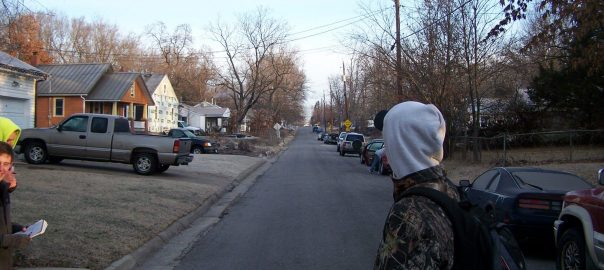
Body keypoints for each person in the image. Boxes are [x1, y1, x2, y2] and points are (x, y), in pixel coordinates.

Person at [373, 101, 460, 269]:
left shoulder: (408, 213)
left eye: (389, 143)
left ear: (400, 146)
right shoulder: (450, 190)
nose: (386, 150)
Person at [0, 141, 30, 269]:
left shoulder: (2, 189)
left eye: (5, 164)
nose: (1, 169)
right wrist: (15, 239)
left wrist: (17, 229)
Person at [0, 117, 20, 192]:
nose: (11, 144)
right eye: (8, 140)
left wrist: (12, 184)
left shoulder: (7, 155)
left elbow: (10, 184)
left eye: (13, 140)